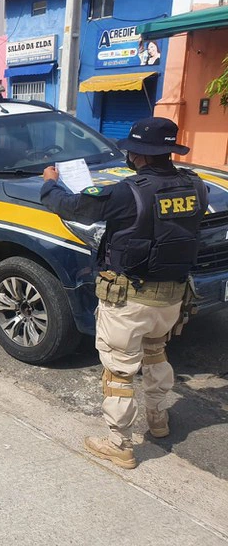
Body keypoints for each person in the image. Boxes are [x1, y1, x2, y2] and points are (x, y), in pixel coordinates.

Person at [40, 117, 208, 469]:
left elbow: (72, 207)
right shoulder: (196, 186)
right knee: (156, 352)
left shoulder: (129, 191)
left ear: (140, 154)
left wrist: (50, 184)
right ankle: (158, 420)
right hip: (173, 296)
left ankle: (119, 444)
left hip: (130, 298)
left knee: (119, 371)